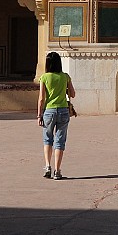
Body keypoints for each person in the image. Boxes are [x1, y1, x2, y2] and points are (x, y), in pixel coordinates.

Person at [38, 51, 75, 180]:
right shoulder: (65, 77)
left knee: (47, 139)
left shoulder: (44, 77)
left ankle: (48, 166)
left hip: (49, 111)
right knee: (60, 141)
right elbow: (73, 94)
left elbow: (41, 99)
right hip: (63, 111)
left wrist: (39, 115)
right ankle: (57, 171)